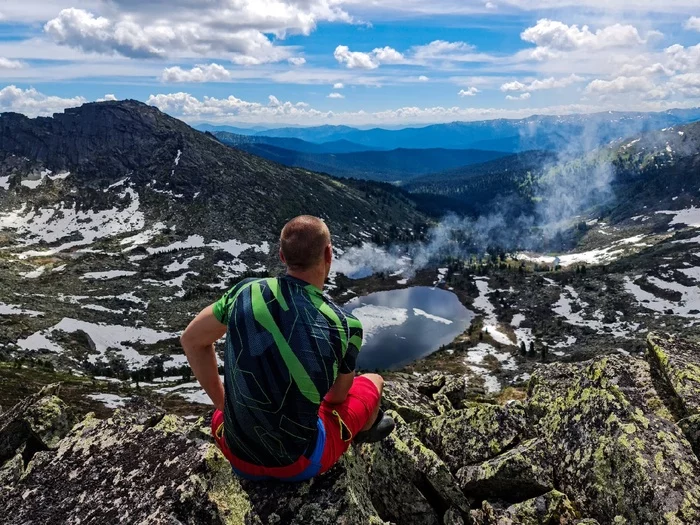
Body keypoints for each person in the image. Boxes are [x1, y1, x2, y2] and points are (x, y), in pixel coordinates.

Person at [180, 215, 395, 481]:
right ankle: (364, 431)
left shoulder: (245, 292)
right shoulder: (345, 324)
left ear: (282, 256)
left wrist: (224, 405)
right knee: (373, 381)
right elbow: (337, 398)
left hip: (236, 453)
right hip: (299, 464)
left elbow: (192, 340)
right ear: (329, 254)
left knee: (221, 417)